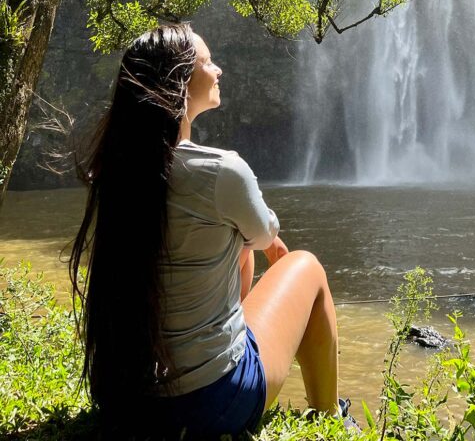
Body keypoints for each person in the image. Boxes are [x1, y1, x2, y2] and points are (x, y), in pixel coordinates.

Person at [70, 23, 346, 440]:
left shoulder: (114, 173)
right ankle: (330, 417)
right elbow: (265, 231)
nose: (218, 71)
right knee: (305, 266)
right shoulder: (221, 172)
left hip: (127, 402)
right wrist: (265, 244)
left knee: (235, 244)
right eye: (207, 62)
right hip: (211, 406)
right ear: (179, 83)